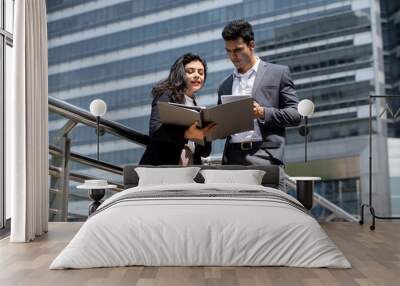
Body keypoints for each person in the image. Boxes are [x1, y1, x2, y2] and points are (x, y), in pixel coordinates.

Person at [217, 20, 301, 186]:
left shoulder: (278, 73)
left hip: (265, 156)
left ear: (252, 45)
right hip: (232, 161)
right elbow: (223, 131)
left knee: (270, 211)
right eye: (229, 51)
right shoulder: (224, 85)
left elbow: (296, 115)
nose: (233, 56)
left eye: (238, 50)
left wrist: (262, 112)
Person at [140, 53, 215, 165]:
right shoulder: (166, 95)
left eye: (201, 72)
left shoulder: (197, 106)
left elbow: (205, 152)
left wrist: (207, 135)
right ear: (180, 73)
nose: (197, 75)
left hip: (190, 170)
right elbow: (156, 130)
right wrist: (187, 134)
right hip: (163, 168)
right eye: (190, 71)